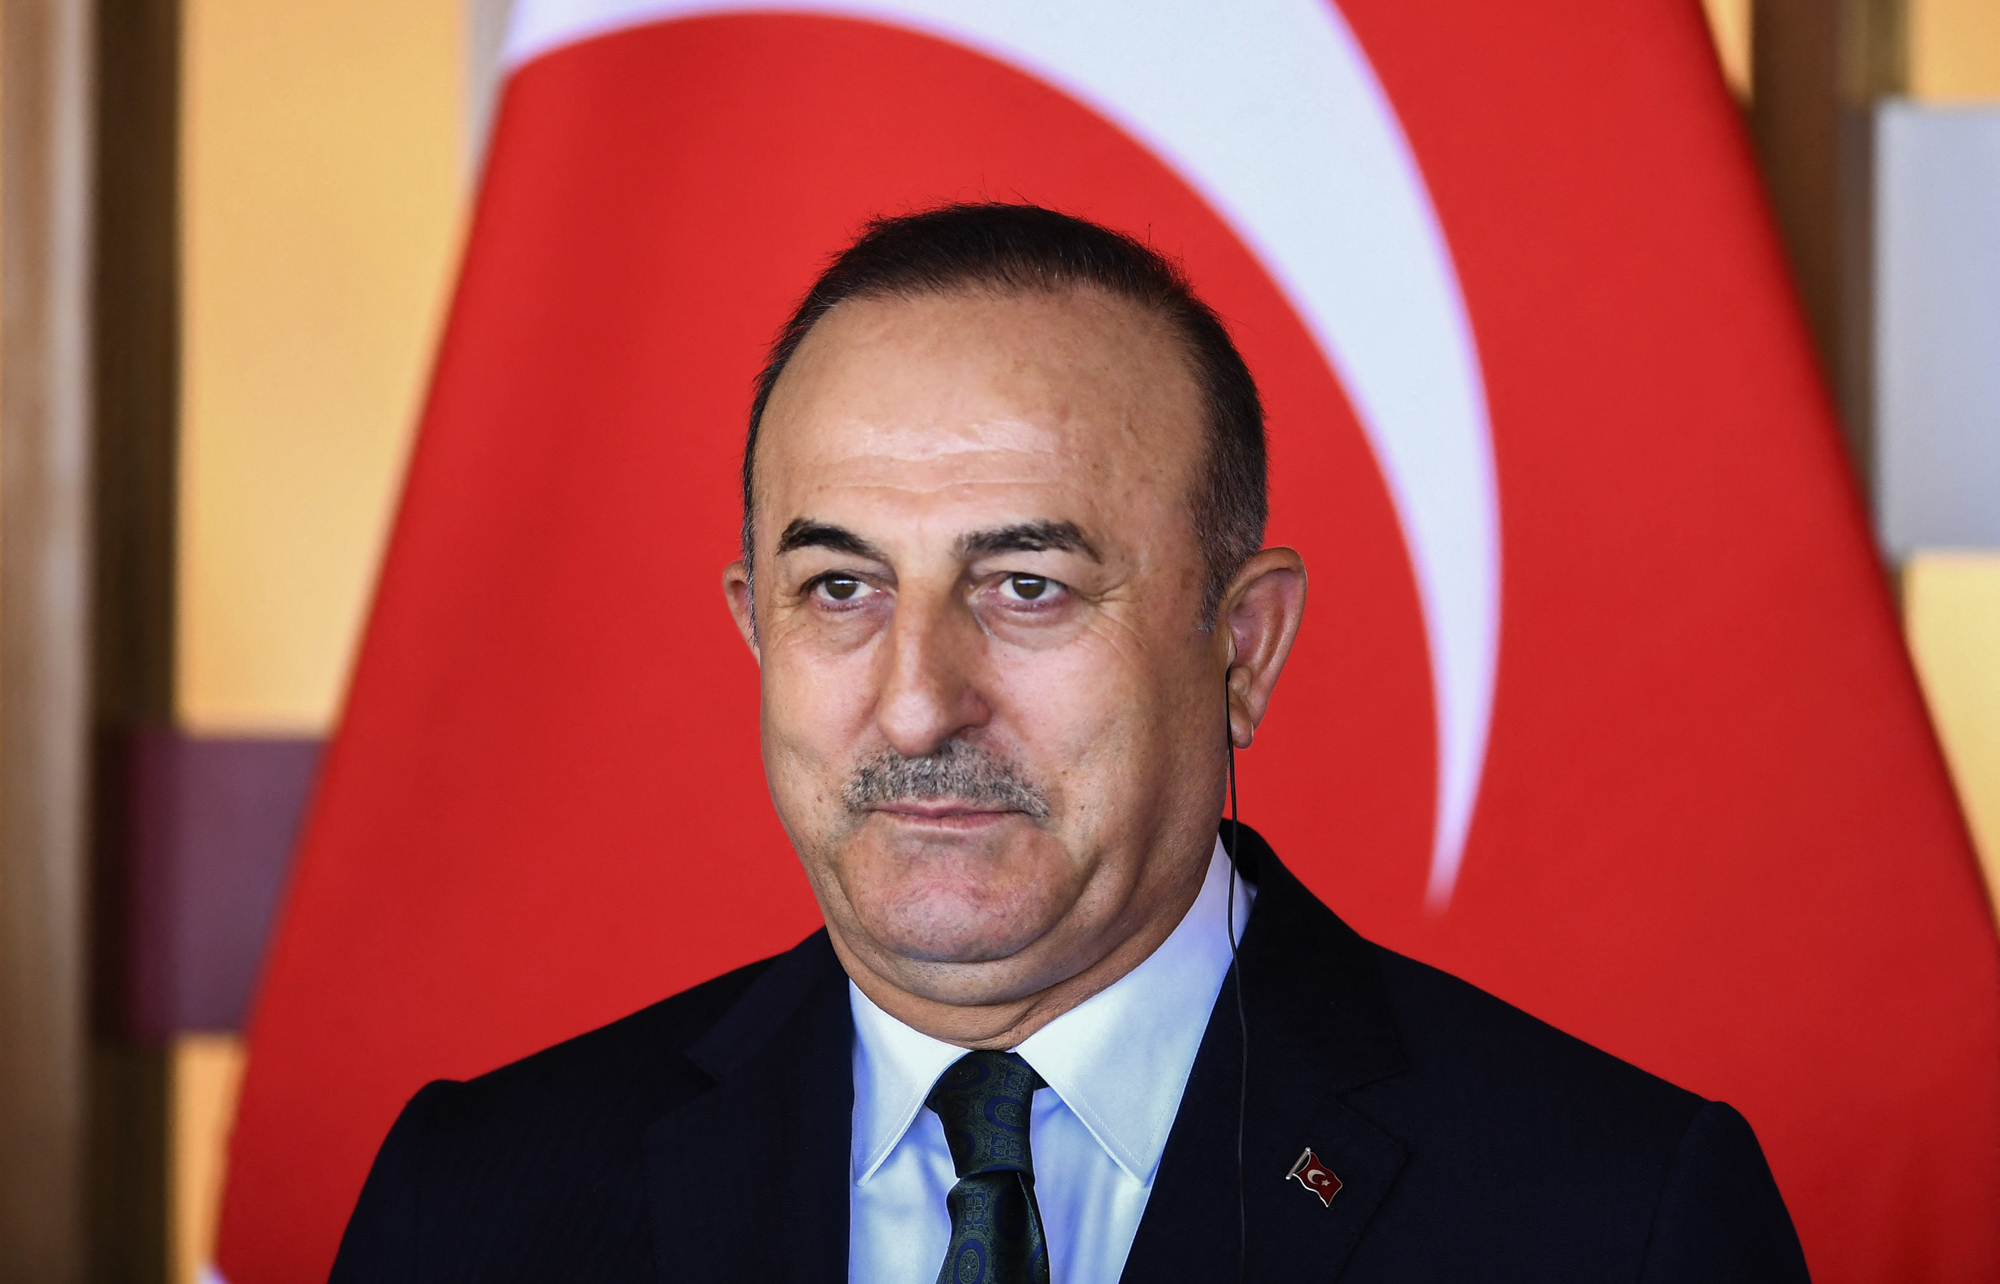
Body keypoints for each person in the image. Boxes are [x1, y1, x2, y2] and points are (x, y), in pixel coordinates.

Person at [331, 203, 1809, 1282]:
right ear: (754, 630)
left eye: (1027, 586)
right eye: (839, 588)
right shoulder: (473, 1208)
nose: (919, 702)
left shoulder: (1615, 1221)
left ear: (1243, 647)